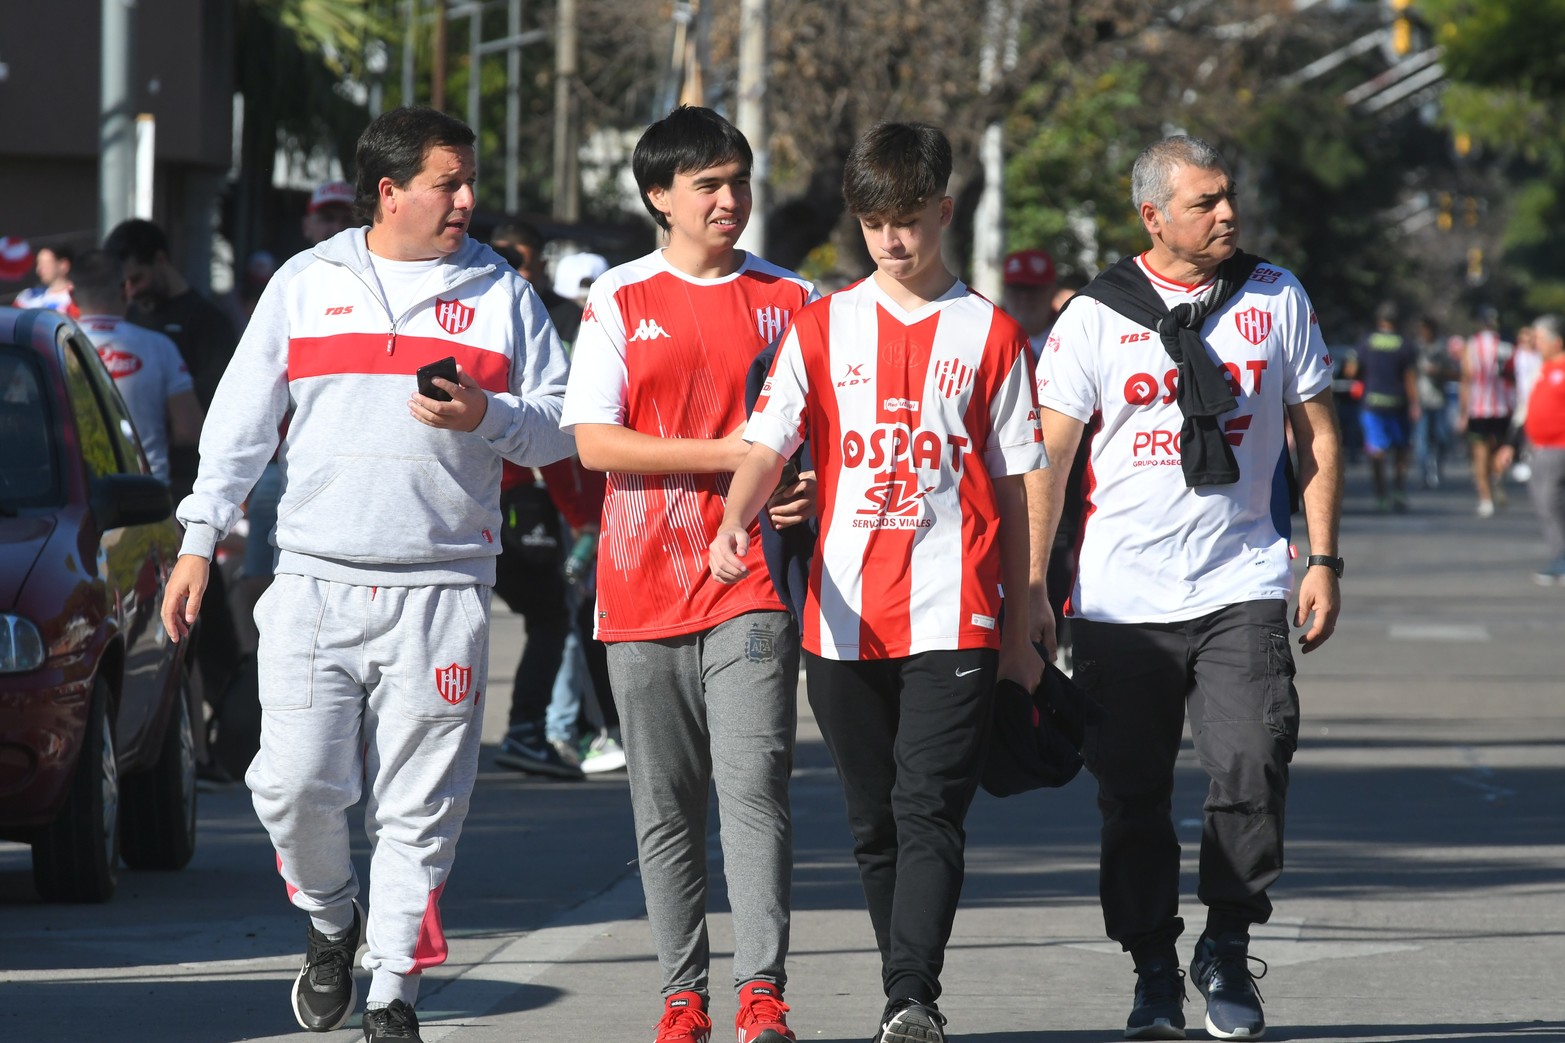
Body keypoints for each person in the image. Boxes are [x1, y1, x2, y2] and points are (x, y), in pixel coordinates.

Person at [158, 105, 572, 1043]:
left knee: (422, 808)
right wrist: (198, 536)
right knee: (290, 783)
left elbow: (560, 425)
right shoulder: (306, 285)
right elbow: (239, 422)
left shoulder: (502, 293)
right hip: (310, 582)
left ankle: (393, 993)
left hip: (444, 588)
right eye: (448, 183)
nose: (468, 199)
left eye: (469, 181)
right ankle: (330, 916)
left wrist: (488, 416)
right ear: (389, 193)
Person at [711, 121, 1046, 1043]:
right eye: (873, 224)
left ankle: (911, 996)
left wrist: (1024, 613)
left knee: (927, 804)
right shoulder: (821, 325)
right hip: (842, 618)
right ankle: (904, 987)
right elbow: (768, 438)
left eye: (907, 220)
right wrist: (737, 517)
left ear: (943, 210)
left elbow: (1016, 485)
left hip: (958, 612)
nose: (892, 241)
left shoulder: (990, 332)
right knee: (871, 822)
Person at [1029, 135, 1342, 1041]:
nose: (1226, 215)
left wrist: (1319, 558)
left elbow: (1313, 433)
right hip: (1121, 601)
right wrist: (1032, 590)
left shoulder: (1274, 295)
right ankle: (1153, 967)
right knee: (1129, 793)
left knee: (1251, 761)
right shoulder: (1094, 314)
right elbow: (1048, 457)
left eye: (1228, 197)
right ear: (1152, 216)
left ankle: (1228, 940)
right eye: (1204, 202)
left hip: (1241, 578)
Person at [559, 105, 814, 1043]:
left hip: (750, 584)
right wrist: (736, 456)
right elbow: (592, 440)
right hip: (638, 589)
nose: (728, 199)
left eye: (739, 180)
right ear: (659, 197)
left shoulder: (792, 298)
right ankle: (680, 998)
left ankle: (762, 993)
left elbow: (820, 436)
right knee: (665, 810)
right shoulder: (618, 297)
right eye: (707, 184)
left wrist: (801, 488)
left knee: (753, 788)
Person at [70, 249, 203, 484]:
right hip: (145, 494)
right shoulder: (160, 346)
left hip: (77, 493)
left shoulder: (57, 346)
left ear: (72, 296)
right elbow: (188, 429)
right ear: (125, 290)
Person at [103, 218, 240, 420]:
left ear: (160, 260)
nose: (131, 291)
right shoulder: (127, 317)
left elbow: (219, 398)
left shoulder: (208, 321)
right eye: (124, 284)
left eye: (137, 279)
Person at [1357, 301, 1419, 511]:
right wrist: (1414, 403)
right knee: (1401, 450)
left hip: (1372, 404)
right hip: (1398, 403)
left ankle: (1381, 495)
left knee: (1376, 451)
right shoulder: (1404, 343)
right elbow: (1409, 376)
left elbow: (1352, 370)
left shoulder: (1367, 341)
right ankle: (1399, 491)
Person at [1459, 306, 1515, 517]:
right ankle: (1497, 478)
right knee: (1499, 451)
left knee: (1479, 453)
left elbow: (1466, 378)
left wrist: (1463, 412)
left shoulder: (1471, 345)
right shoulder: (1506, 346)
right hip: (1503, 408)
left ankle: (1485, 499)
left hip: (1479, 408)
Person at [1524, 314, 1565, 585]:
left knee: (1551, 502)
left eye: (1538, 338)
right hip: (1539, 448)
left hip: (1559, 448)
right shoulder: (1544, 368)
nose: (1534, 343)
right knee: (1543, 502)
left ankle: (1562, 557)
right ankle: (1559, 555)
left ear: (1556, 341)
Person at [1412, 316, 1456, 488]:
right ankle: (1424, 474)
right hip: (1421, 400)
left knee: (1442, 437)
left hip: (1439, 400)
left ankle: (1438, 468)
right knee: (1421, 439)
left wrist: (1439, 372)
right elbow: (1409, 375)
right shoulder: (1416, 349)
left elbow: (1454, 373)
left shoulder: (1441, 349)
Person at [1000, 247, 1057, 355]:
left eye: (1033, 289)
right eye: (1017, 287)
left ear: (1052, 291)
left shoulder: (1069, 334)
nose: (1025, 296)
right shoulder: (985, 336)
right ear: (1004, 290)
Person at [15, 243, 76, 313]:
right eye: (38, 263)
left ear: (63, 265)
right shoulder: (27, 296)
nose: (38, 270)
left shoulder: (79, 299)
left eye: (45, 264)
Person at [303, 180, 358, 246]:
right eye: (328, 219)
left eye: (348, 220)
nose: (338, 228)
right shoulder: (295, 256)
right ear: (307, 226)